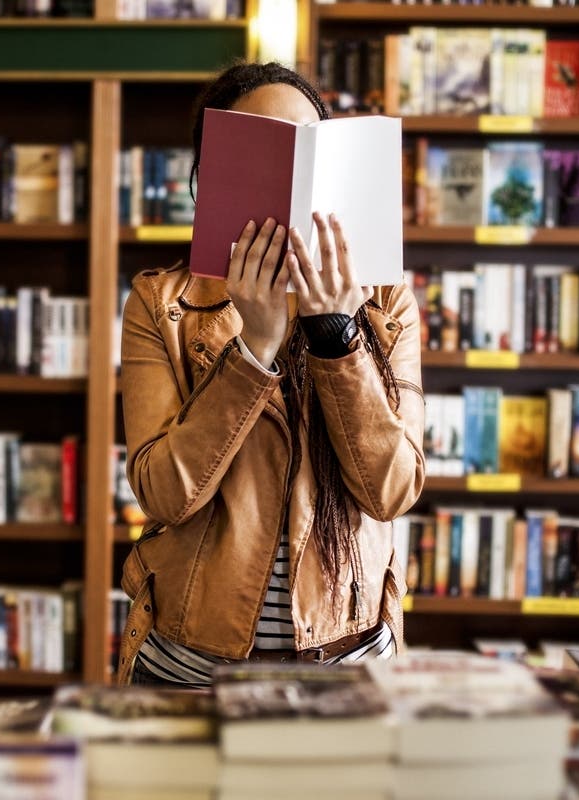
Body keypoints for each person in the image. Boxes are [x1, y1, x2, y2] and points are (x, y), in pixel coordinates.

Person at [116, 61, 425, 687]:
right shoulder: (162, 304)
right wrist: (252, 348)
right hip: (191, 672)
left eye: (306, 148)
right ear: (214, 176)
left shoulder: (385, 304)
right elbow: (165, 495)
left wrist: (337, 334)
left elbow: (391, 490)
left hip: (347, 665)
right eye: (264, 150)